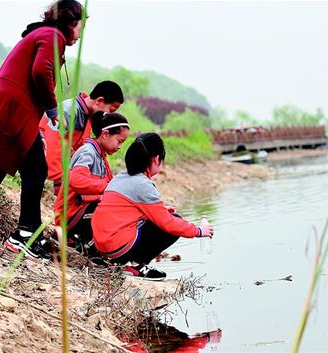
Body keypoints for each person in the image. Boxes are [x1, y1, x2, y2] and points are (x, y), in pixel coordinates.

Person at [0, 0, 85, 259]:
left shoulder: (45, 34)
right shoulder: (53, 35)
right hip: (14, 107)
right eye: (81, 24)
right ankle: (24, 235)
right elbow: (40, 72)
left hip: (13, 106)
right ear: (71, 22)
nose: (81, 31)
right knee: (36, 168)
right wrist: (52, 109)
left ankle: (18, 228)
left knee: (18, 165)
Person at [91, 132, 214, 280]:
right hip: (117, 248)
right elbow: (168, 224)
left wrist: (160, 211)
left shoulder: (121, 177)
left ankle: (128, 263)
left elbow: (125, 211)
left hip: (103, 246)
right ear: (156, 159)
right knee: (173, 221)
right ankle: (136, 266)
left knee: (164, 217)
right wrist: (199, 231)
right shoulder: (143, 184)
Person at [53, 112, 130, 256]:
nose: (120, 146)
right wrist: (107, 187)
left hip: (81, 209)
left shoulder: (100, 155)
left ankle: (90, 246)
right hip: (70, 213)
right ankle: (78, 242)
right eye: (119, 141)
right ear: (105, 134)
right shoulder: (88, 152)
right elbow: (76, 180)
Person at [39, 80, 124, 195]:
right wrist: (59, 178)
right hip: (36, 156)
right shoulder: (69, 111)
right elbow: (52, 144)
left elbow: (78, 147)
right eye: (111, 110)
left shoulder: (88, 115)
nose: (109, 115)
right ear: (99, 101)